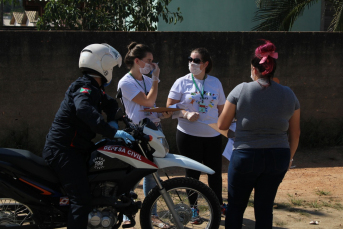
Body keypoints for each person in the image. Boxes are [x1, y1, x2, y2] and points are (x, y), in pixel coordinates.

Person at [42, 43, 134, 229]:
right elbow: (84, 109)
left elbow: (109, 104)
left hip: (75, 149)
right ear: (104, 66)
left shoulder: (94, 87)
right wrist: (112, 131)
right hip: (64, 151)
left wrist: (123, 119)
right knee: (81, 200)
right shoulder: (85, 88)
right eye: (111, 68)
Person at [218, 40, 301, 229]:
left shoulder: (241, 89)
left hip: (246, 155)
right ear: (273, 68)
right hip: (278, 156)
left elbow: (222, 124)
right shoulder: (289, 94)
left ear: (254, 69)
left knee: (236, 207)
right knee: (264, 209)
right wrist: (289, 157)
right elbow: (295, 132)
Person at [167, 47, 226, 223]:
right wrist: (185, 114)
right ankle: (193, 209)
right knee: (192, 174)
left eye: (196, 60)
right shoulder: (181, 82)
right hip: (188, 135)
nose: (192, 63)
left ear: (206, 64)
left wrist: (227, 127)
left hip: (213, 135)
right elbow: (169, 107)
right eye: (190, 59)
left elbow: (222, 109)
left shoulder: (215, 82)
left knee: (214, 173)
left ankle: (218, 206)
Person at [117, 42, 171, 229]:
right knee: (132, 173)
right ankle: (125, 212)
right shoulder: (126, 82)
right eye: (149, 61)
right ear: (137, 61)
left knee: (151, 173)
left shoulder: (147, 80)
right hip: (137, 133)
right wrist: (156, 79)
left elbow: (150, 107)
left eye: (153, 62)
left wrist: (162, 114)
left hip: (153, 130)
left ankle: (152, 214)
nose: (152, 65)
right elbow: (148, 100)